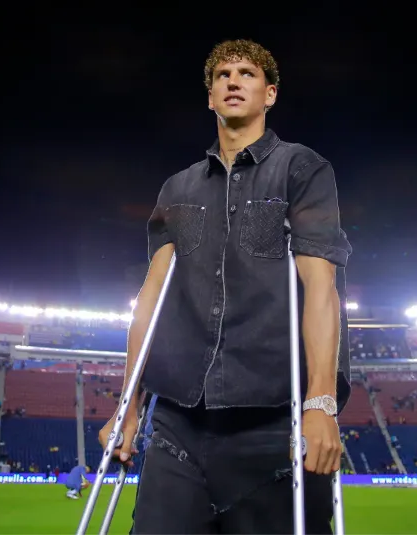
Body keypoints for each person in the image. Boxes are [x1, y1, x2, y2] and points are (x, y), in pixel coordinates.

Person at [100, 38, 352, 534]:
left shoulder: (302, 170)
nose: (233, 81)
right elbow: (149, 301)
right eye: (222, 75)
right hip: (179, 422)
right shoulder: (178, 189)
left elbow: (321, 287)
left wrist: (321, 401)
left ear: (270, 93)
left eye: (247, 73)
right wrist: (127, 406)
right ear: (210, 97)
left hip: (273, 423)